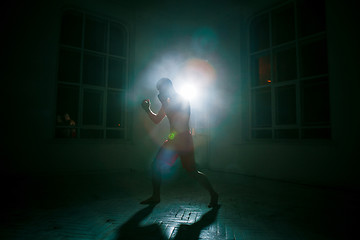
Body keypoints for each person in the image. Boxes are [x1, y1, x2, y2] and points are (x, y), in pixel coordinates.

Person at [140, 78, 218, 208]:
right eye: (159, 91)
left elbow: (181, 122)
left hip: (184, 138)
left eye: (161, 90)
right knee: (156, 166)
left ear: (168, 87)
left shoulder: (182, 99)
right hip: (174, 139)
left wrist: (165, 102)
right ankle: (156, 196)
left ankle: (214, 194)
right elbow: (157, 119)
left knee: (192, 171)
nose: (160, 93)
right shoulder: (167, 102)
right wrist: (148, 109)